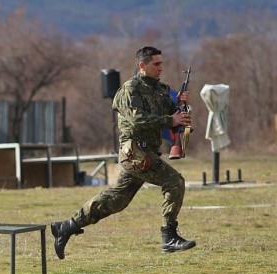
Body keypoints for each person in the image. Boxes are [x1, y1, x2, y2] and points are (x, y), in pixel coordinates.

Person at [51, 46, 195, 259]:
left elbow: (171, 115)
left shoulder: (161, 90)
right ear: (142, 66)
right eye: (156, 64)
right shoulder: (130, 90)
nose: (161, 68)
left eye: (162, 64)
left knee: (116, 200)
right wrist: (170, 120)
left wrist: (181, 111)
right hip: (134, 152)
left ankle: (66, 227)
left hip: (146, 153)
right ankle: (169, 236)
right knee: (175, 181)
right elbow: (137, 120)